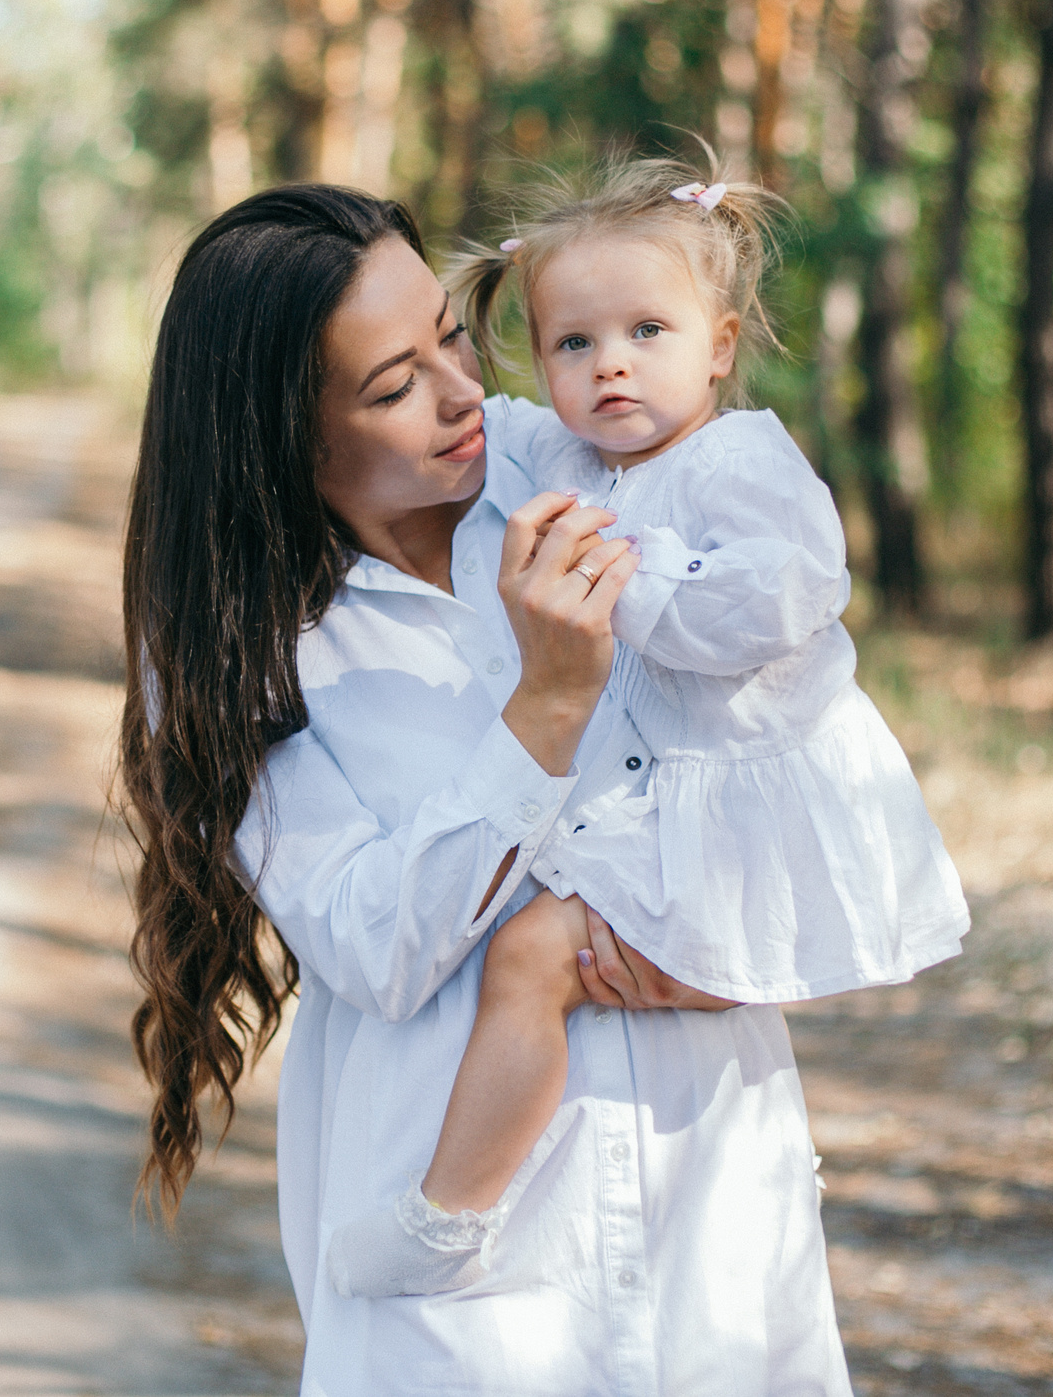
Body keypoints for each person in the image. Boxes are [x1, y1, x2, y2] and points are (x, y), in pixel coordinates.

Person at [120, 184, 852, 1395]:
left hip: (705, 1169)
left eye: (451, 335)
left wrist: (733, 945)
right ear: (285, 435)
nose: (465, 393)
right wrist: (546, 708)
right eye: (394, 385)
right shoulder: (245, 648)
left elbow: (787, 717)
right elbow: (368, 943)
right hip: (469, 1260)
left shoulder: (578, 461)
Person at [323, 158, 970, 1299]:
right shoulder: (567, 453)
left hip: (732, 802)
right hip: (657, 802)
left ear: (718, 346)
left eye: (646, 331)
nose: (609, 362)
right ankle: (456, 1211)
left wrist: (637, 578)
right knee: (529, 959)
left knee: (529, 957)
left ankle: (444, 1216)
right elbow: (481, 421)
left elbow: (790, 594)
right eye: (572, 343)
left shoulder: (736, 461)